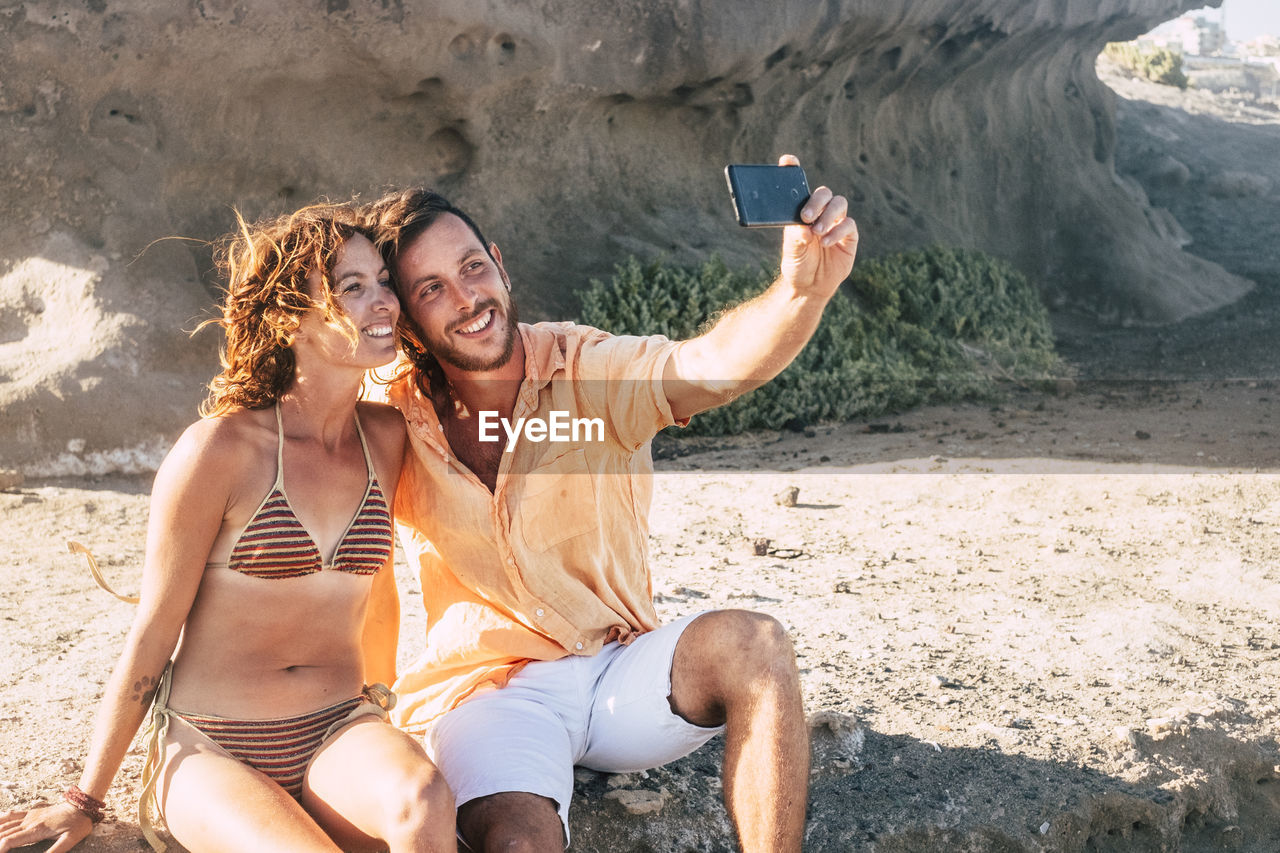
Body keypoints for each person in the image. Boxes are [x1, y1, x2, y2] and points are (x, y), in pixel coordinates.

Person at [363, 154, 857, 852]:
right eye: (433, 288)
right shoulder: (391, 415)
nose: (469, 297)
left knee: (757, 643)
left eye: (473, 267)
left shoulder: (586, 369)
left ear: (501, 265)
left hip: (623, 670)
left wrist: (798, 293)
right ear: (410, 320)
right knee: (518, 843)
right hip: (492, 693)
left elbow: (706, 367)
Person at [0, 206, 456, 853]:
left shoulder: (386, 436)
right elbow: (154, 631)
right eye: (352, 286)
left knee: (424, 803)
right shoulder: (219, 448)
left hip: (337, 726)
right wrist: (84, 798)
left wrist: (379, 712)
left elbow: (374, 593)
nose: (384, 300)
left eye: (384, 280)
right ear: (287, 314)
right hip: (214, 742)